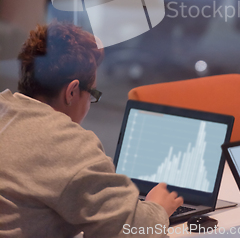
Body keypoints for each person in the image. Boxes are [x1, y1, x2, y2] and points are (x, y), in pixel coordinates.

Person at [0, 21, 183, 237]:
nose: (90, 103)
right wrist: (158, 208)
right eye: (92, 94)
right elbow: (132, 231)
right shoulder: (67, 144)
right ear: (72, 92)